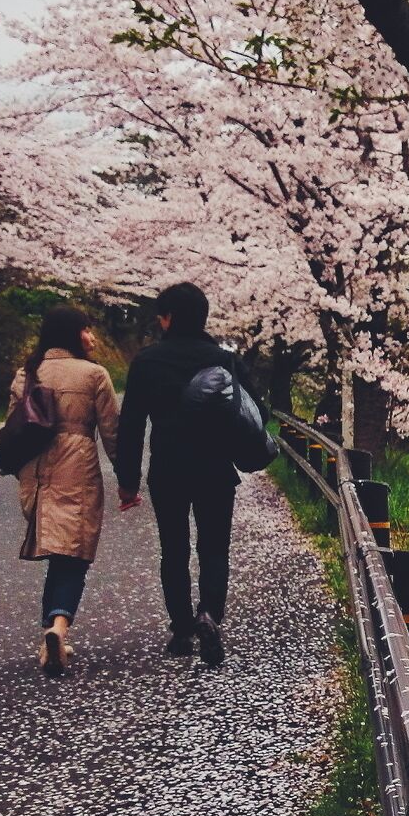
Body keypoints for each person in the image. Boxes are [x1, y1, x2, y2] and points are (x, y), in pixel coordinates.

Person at [114, 282, 250, 665]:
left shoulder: (147, 361)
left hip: (168, 468)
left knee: (174, 549)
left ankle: (181, 628)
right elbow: (256, 412)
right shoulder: (223, 360)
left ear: (169, 317)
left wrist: (128, 480)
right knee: (214, 548)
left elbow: (132, 425)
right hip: (216, 468)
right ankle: (210, 614)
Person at [8, 305, 123, 677]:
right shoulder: (94, 375)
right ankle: (58, 626)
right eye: (87, 329)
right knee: (73, 554)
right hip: (78, 462)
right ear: (73, 333)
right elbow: (112, 433)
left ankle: (50, 637)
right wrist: (128, 479)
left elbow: (12, 427)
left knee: (58, 553)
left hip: (36, 466)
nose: (92, 337)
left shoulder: (27, 372)